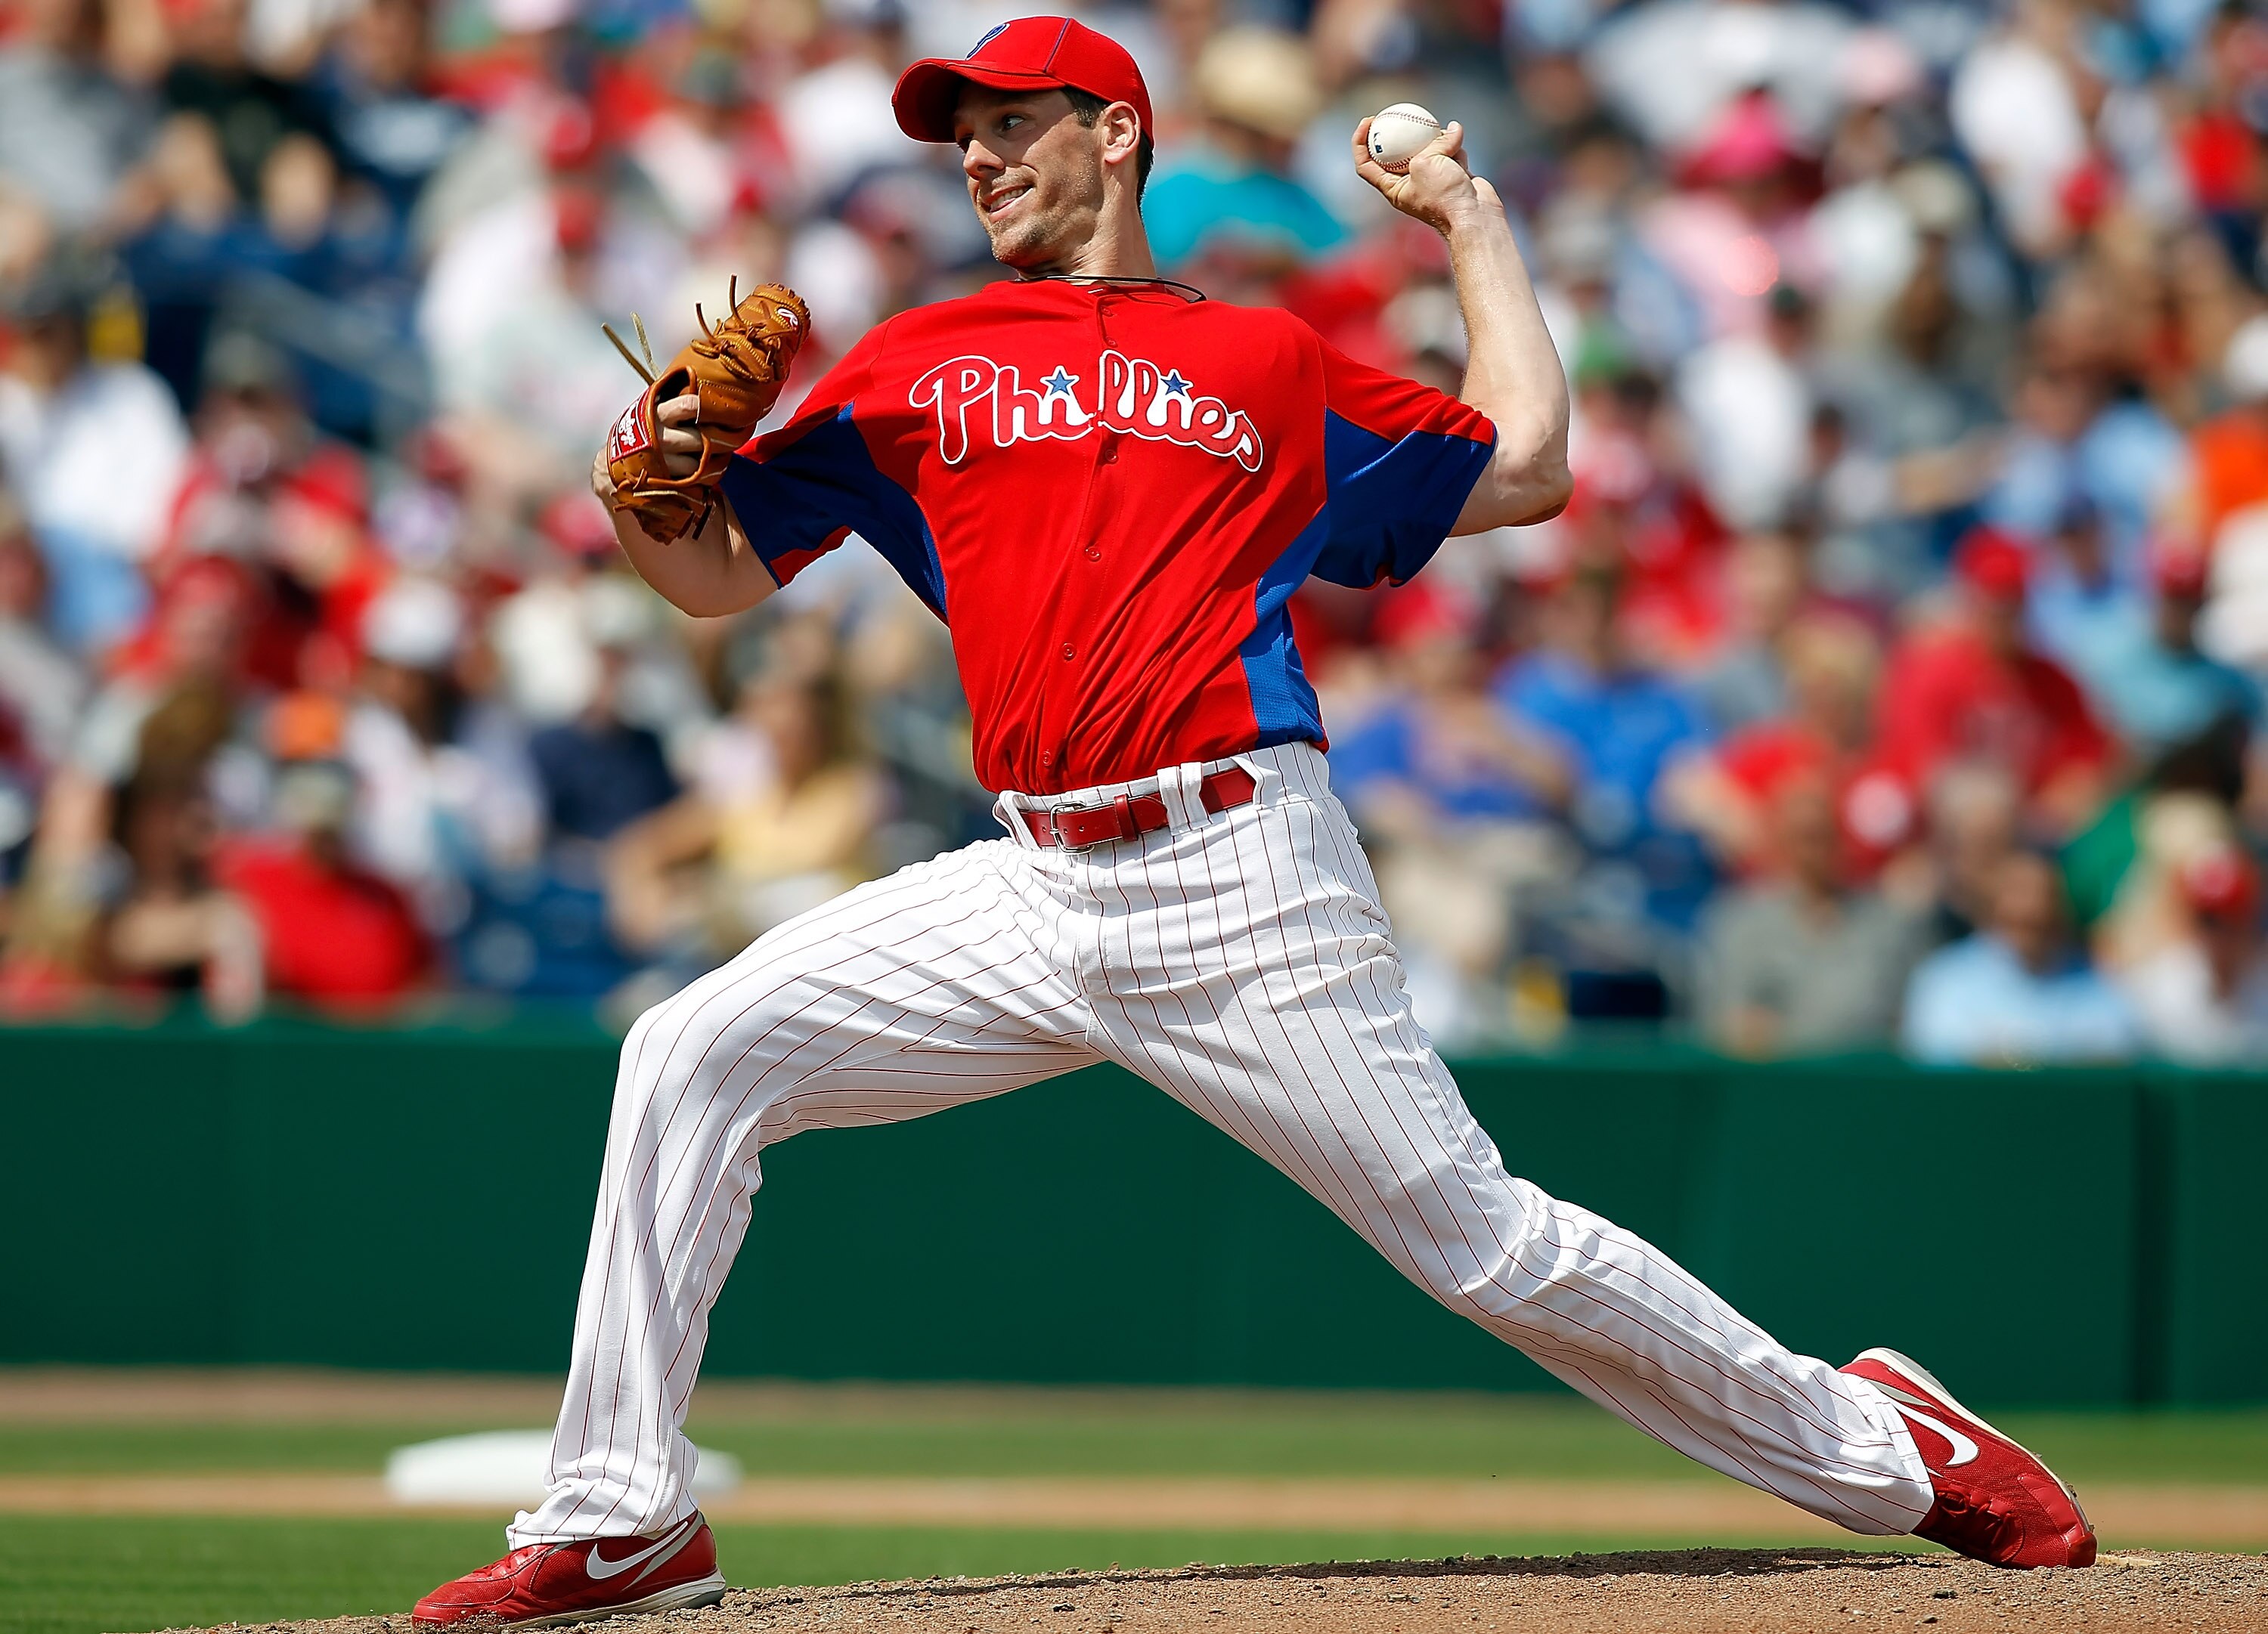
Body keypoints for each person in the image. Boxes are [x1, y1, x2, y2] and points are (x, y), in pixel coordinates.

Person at [413, 20, 2095, 1629]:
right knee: (687, 1053)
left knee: (1484, 1248)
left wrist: (1472, 226)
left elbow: (1524, 466)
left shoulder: (1265, 362)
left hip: (1240, 872)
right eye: (963, 136)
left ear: (1117, 131)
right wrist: (642, 467)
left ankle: (1894, 1447)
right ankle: (620, 1517)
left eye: (1012, 123)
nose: (981, 158)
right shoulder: (916, 361)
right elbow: (706, 575)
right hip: (1031, 880)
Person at [1697, 771, 1929, 1057]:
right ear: (1779, 841)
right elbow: (1729, 1025)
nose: (1813, 853)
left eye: (1823, 836)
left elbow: (1911, 1023)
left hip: (1864, 1082)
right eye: (1803, 838)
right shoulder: (1739, 925)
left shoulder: (1885, 925)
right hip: (1775, 1083)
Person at [1901, 849, 2142, 1067]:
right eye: (2017, 894)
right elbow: (1936, 1061)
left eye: (2042, 895)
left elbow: (2112, 1051)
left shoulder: (2096, 987)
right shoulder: (1946, 982)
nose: (2030, 910)